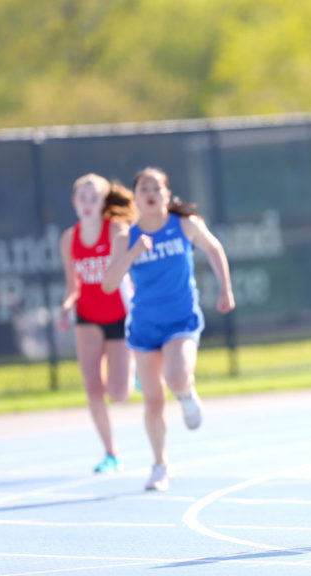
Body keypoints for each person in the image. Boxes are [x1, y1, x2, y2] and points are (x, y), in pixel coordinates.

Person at [103, 167, 235, 491]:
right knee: (153, 400)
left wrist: (225, 289)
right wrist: (133, 253)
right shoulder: (126, 236)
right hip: (145, 326)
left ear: (166, 194)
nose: (150, 193)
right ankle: (160, 464)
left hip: (181, 319)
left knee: (176, 376)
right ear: (136, 198)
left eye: (156, 187)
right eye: (143, 188)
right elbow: (108, 283)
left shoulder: (185, 225)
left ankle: (187, 393)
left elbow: (214, 248)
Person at [58, 174, 137, 474]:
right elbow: (72, 285)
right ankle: (110, 452)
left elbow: (127, 271)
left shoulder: (116, 230)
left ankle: (132, 368)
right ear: (74, 202)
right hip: (88, 318)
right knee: (92, 387)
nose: (88, 204)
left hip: (119, 315)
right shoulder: (69, 238)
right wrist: (66, 307)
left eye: (94, 198)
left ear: (104, 203)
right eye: (83, 198)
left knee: (118, 394)